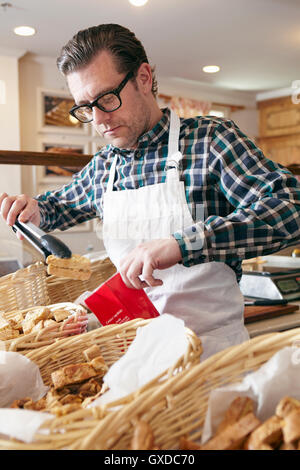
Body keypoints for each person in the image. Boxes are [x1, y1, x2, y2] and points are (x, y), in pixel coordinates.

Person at [1, 24, 300, 359]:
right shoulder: (105, 166)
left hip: (213, 356)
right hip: (134, 355)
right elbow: (55, 208)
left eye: (107, 99)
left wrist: (182, 243)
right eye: (86, 108)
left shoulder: (210, 141)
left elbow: (289, 209)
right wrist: (31, 209)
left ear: (143, 77)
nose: (99, 119)